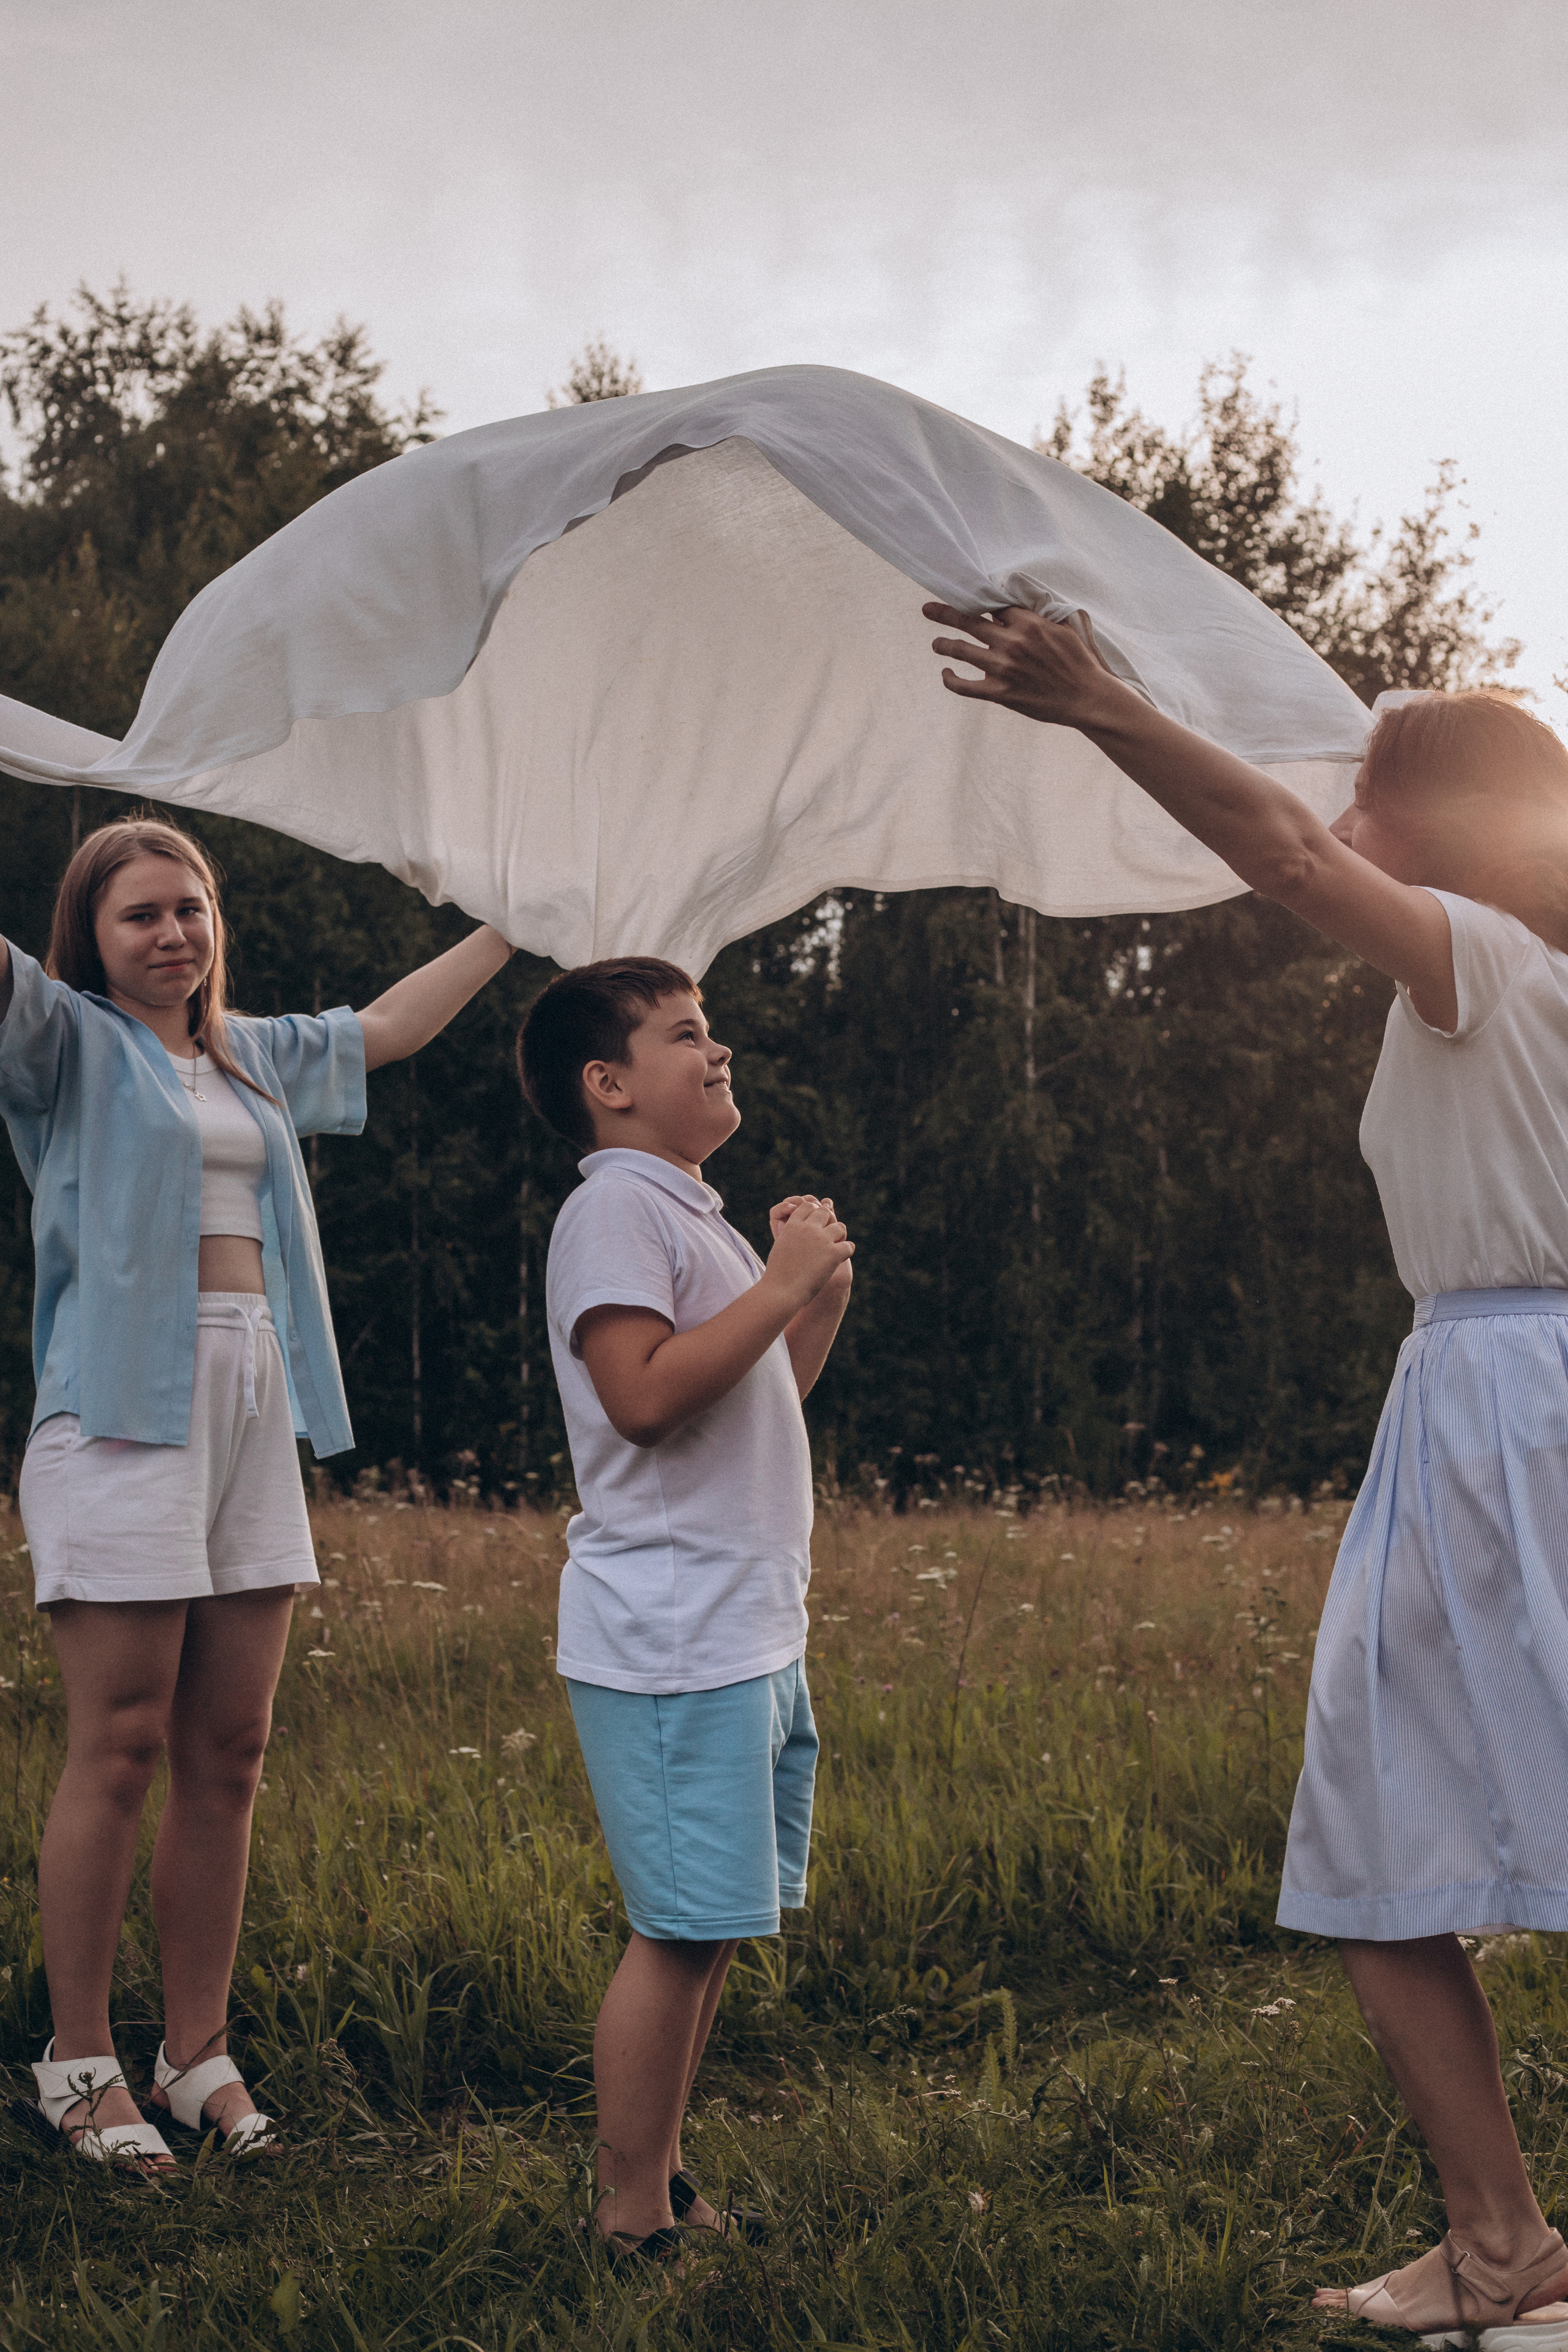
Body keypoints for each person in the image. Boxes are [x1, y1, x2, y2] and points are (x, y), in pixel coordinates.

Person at [924, 600, 1568, 2336]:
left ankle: (1508, 2246)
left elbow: (1283, 856)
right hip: (1492, 1394)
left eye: (1379, 798)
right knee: (1387, 1815)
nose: (1348, 822)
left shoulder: (1487, 964)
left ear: (1448, 832)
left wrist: (1098, 703)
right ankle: (1501, 2247)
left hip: (1516, 1404)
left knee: (1400, 1810)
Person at [1, 814, 513, 2169]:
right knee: (118, 1744)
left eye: (192, 907)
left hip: (252, 1404)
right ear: (91, 941)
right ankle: (76, 2062)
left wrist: (517, 918)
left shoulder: (253, 1054)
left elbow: (395, 1025)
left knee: (229, 1752)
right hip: (120, 1413)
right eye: (141, 915)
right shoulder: (58, 1041)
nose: (173, 931)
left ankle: (193, 2055)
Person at [517, 957, 852, 2263]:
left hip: (744, 1627)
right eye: (685, 1036)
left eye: (711, 1034)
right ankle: (625, 2220)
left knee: (710, 1927)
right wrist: (776, 1285)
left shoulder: (691, 1215)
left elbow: (751, 1398)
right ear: (608, 1085)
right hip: (669, 1638)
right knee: (674, 1932)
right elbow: (642, 1399)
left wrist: (809, 1302)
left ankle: (656, 2180)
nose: (717, 1054)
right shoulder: (612, 1214)